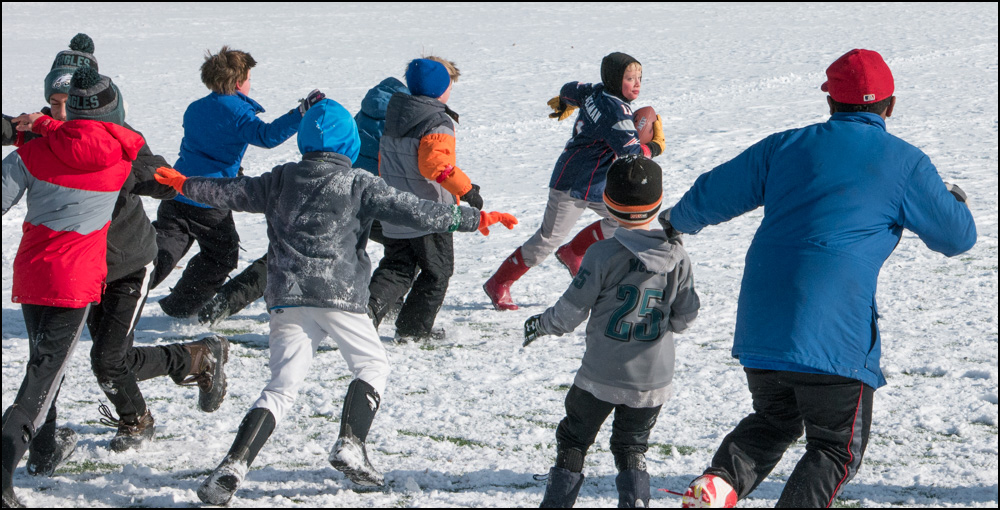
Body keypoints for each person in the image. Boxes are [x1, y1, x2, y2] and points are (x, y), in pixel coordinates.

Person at [152, 98, 516, 505]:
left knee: (280, 387)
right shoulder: (359, 182)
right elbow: (417, 211)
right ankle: (351, 444)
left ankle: (233, 466)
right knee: (373, 365)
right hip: (339, 294)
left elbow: (228, 191)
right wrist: (473, 218)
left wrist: (183, 183)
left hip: (286, 297)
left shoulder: (280, 179)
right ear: (349, 143)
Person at [667, 49, 977, 508]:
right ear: (889, 106)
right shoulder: (905, 163)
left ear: (829, 101)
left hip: (764, 321)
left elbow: (712, 193)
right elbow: (957, 237)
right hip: (834, 331)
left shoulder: (785, 146)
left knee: (774, 419)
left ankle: (718, 484)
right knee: (835, 447)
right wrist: (954, 200)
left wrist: (675, 220)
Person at [1, 68, 144, 509]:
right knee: (42, 378)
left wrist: (37, 127)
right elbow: (94, 142)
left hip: (34, 272)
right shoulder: (122, 156)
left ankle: (43, 454)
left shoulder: (30, 155)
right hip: (75, 282)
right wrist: (44, 125)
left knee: (42, 365)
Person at [522, 156, 700, 508]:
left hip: (600, 373)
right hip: (652, 379)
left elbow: (570, 311)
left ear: (608, 206)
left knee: (574, 438)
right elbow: (685, 318)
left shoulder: (602, 253)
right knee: (632, 446)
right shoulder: (678, 256)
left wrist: (541, 324)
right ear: (659, 202)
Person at [194, 76, 411, 326]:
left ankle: (225, 301)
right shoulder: (402, 123)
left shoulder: (362, 115)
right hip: (359, 197)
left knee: (289, 253)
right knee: (402, 250)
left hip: (318, 187)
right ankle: (374, 311)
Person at [483, 51, 667, 312]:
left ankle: (574, 252)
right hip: (573, 181)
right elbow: (632, 154)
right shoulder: (615, 112)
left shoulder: (597, 90)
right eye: (629, 78)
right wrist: (656, 147)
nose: (637, 84)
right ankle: (498, 282)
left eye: (640, 77)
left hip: (598, 182)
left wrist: (564, 101)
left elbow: (572, 89)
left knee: (623, 219)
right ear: (615, 79)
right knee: (547, 239)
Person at [150, 45, 323, 318]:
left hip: (177, 191)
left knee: (160, 255)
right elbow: (267, 136)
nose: (251, 84)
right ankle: (181, 307)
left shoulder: (195, 108)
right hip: (210, 198)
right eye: (249, 78)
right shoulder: (237, 113)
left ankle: (117, 289)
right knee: (222, 255)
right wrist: (300, 112)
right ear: (239, 82)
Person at [366, 57, 486, 341]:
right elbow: (436, 165)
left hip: (394, 206)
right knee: (438, 272)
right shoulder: (436, 120)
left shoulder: (396, 113)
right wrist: (466, 190)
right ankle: (413, 329)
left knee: (397, 267)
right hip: (430, 213)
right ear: (442, 89)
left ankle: (363, 318)